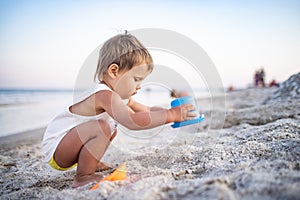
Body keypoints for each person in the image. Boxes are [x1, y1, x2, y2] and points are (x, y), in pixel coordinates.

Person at [42, 33, 195, 188]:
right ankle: (83, 176)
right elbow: (132, 121)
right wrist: (170, 115)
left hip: (70, 145)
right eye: (136, 79)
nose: (139, 86)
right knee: (101, 127)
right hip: (57, 148)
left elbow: (145, 110)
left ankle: (91, 162)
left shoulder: (119, 97)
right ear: (114, 71)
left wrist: (172, 113)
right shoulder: (103, 95)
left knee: (110, 128)